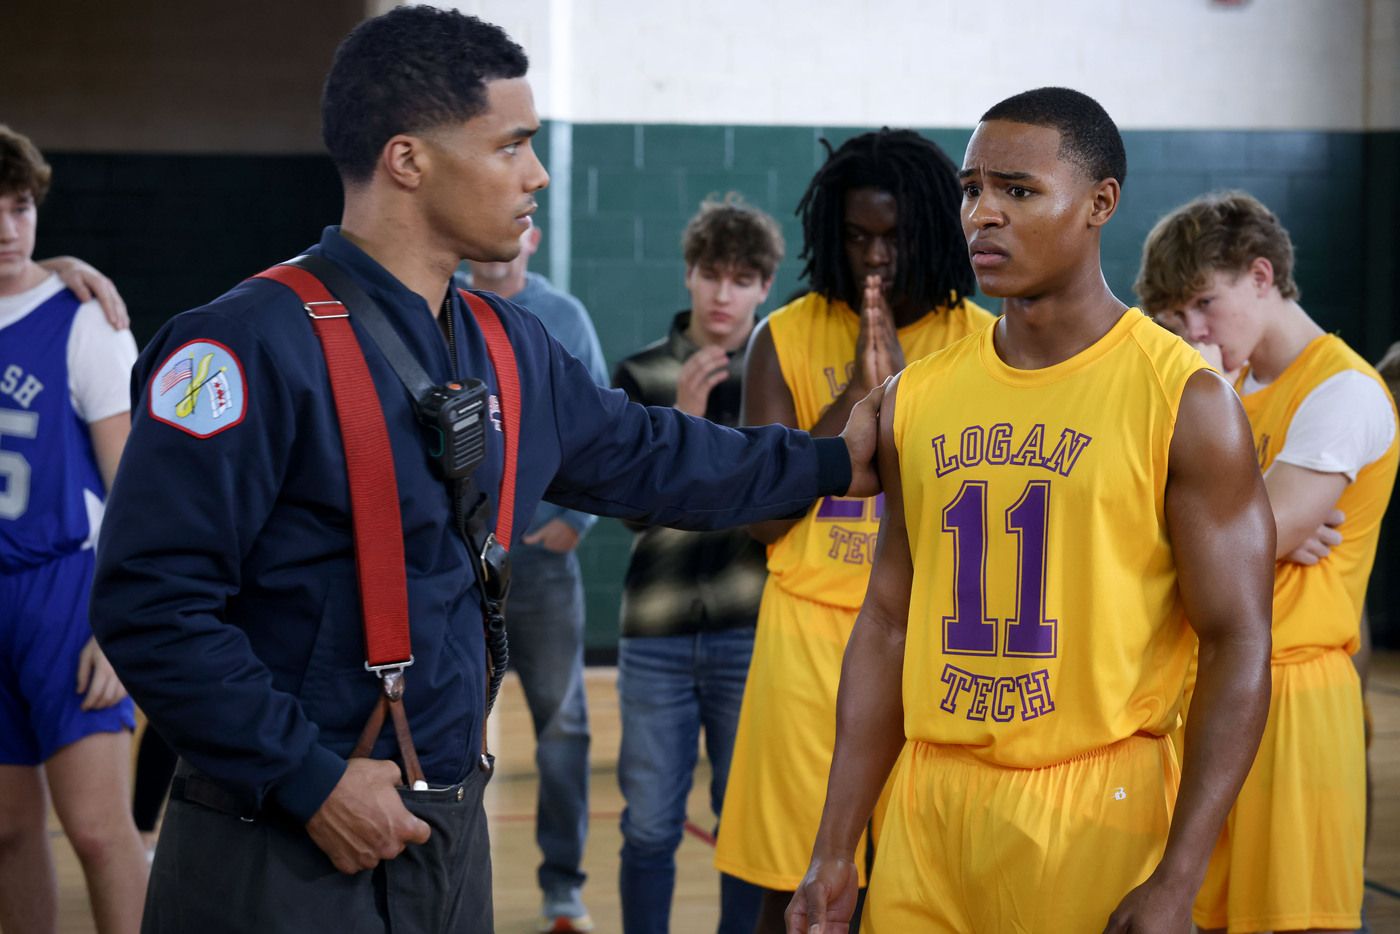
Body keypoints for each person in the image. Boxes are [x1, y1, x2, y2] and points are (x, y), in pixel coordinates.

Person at [87, 8, 882, 933]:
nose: (538, 173)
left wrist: (837, 461)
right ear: (408, 159)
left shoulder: (511, 347)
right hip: (279, 841)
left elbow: (662, 458)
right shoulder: (241, 347)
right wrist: (307, 780)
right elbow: (150, 602)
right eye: (512, 145)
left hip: (443, 840)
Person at [787, 87, 1277, 934]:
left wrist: (1181, 874)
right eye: (973, 188)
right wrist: (836, 845)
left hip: (1093, 806)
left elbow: (1237, 639)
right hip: (928, 806)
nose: (983, 214)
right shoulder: (919, 396)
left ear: (1100, 204)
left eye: (1018, 191)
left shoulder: (1183, 400)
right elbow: (889, 622)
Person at [713, 129, 993, 930]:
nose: (876, 257)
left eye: (895, 237)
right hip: (804, 644)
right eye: (858, 236)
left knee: (911, 888)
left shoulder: (981, 343)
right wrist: (858, 399)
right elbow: (763, 516)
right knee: (794, 887)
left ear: (934, 232)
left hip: (925, 639)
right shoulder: (785, 335)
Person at [1137, 190, 1398, 934]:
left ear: (1261, 275)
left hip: (1293, 693)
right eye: (1176, 318)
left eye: (1203, 304)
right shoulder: (1234, 388)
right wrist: (1240, 525)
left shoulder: (1343, 390)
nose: (1193, 332)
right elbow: (1228, 536)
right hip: (1209, 678)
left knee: (1295, 922)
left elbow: (1251, 535)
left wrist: (1238, 525)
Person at [611, 193, 781, 934]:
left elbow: (783, 505)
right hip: (655, 631)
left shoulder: (780, 376)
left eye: (742, 280)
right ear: (688, 275)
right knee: (648, 824)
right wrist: (679, 420)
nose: (724, 294)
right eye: (713, 275)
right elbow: (631, 509)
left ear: (764, 288)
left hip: (754, 629)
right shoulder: (642, 372)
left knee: (743, 828)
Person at [0, 124, 148, 934]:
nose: (6, 229)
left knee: (96, 828)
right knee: (8, 832)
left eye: (19, 208)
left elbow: (135, 488)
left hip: (63, 591)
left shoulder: (83, 317)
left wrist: (118, 620)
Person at [464, 223, 606, 934]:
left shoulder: (562, 318)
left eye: (511, 229)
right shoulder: (442, 308)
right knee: (449, 731)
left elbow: (600, 427)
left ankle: (563, 891)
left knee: (565, 728)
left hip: (543, 571)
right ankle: (452, 890)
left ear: (534, 237)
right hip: (460, 570)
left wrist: (573, 526)